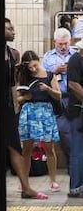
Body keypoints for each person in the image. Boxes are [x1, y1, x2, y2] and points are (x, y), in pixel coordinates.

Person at [4, 18, 48, 200]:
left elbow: (11, 83)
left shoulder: (11, 52)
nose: (14, 31)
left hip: (6, 107)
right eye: (9, 28)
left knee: (15, 148)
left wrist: (18, 71)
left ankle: (26, 188)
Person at [17, 50, 61, 193]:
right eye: (30, 68)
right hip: (29, 112)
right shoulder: (24, 76)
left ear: (38, 60)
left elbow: (59, 95)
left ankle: (53, 180)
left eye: (35, 66)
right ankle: (24, 181)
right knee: (26, 149)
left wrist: (47, 89)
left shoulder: (49, 75)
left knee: (49, 147)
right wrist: (25, 98)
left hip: (46, 111)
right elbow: (18, 98)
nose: (33, 70)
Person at [42, 28, 76, 169]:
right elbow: (42, 78)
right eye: (60, 44)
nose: (63, 47)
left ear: (70, 42)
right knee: (64, 132)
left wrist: (72, 70)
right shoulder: (48, 57)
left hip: (75, 97)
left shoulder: (76, 55)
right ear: (54, 42)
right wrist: (54, 72)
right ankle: (72, 165)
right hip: (58, 99)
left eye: (66, 44)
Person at [66, 39, 83, 197]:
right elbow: (73, 84)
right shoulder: (75, 60)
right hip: (78, 112)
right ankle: (76, 187)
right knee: (78, 150)